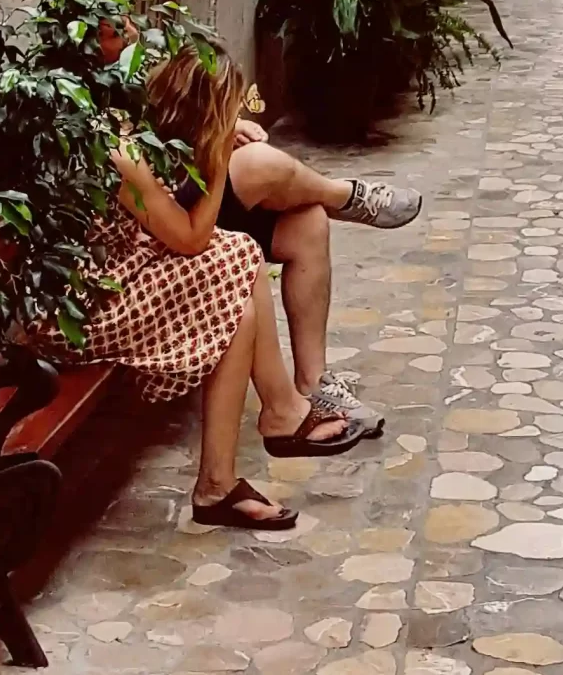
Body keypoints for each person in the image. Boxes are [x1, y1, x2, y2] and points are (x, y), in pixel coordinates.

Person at [64, 46, 372, 531]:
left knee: (240, 307)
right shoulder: (120, 149)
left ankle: (219, 483)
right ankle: (279, 416)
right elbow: (191, 238)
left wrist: (221, 139)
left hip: (116, 272)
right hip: (83, 306)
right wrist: (215, 156)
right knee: (238, 254)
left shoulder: (137, 133)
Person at [147, 48, 419, 434]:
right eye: (120, 27)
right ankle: (344, 196)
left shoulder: (140, 56)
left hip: (193, 203)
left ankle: (314, 384)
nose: (131, 30)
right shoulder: (106, 92)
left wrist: (228, 126)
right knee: (257, 162)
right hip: (168, 231)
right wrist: (219, 140)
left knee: (308, 223)